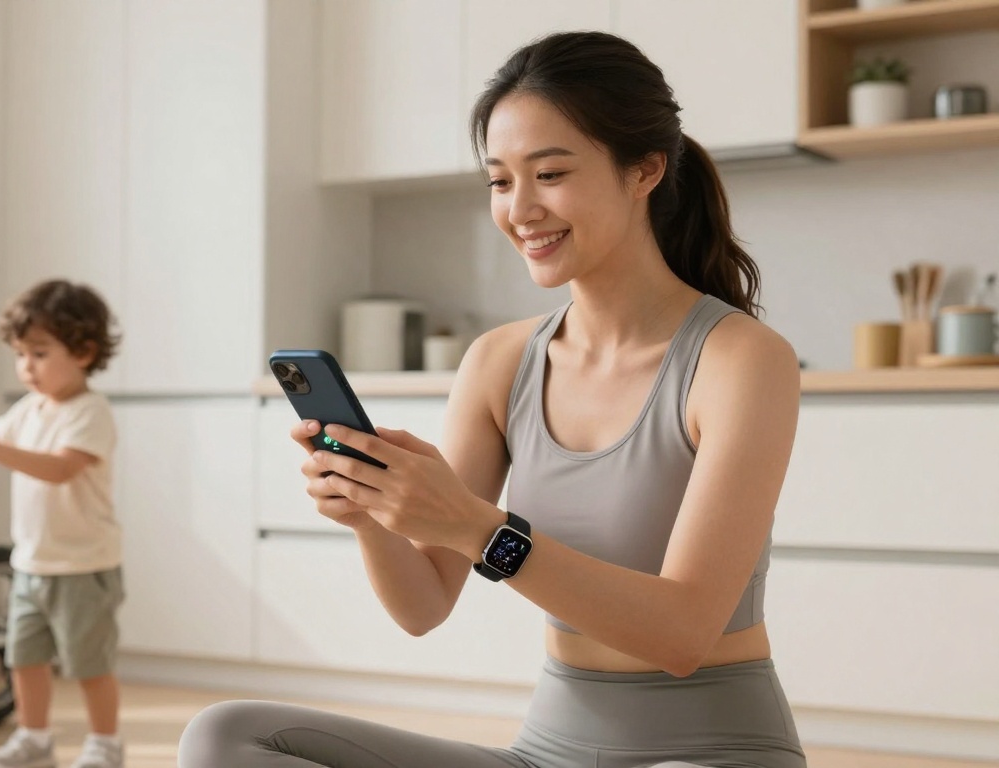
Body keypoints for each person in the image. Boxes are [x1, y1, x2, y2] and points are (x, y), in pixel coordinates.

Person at [177, 30, 806, 768]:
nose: (521, 209)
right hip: (549, 750)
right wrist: (371, 511)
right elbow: (423, 606)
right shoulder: (500, 362)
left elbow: (682, 635)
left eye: (550, 174)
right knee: (225, 735)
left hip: (713, 750)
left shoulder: (740, 359)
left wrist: (480, 529)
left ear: (644, 170)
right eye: (500, 182)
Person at [0, 279, 126, 768]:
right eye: (20, 354)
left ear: (84, 352)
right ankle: (34, 738)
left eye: (39, 353)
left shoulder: (89, 412)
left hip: (83, 567)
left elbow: (60, 469)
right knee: (24, 658)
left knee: (90, 664)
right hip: (31, 564)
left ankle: (105, 744)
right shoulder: (30, 408)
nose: (26, 367)